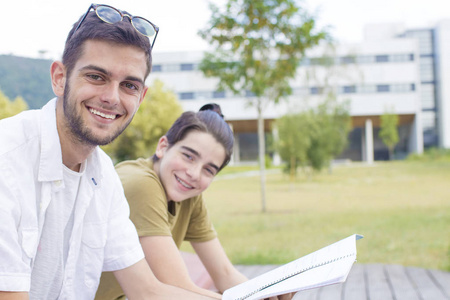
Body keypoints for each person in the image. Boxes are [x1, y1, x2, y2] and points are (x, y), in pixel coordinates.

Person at [0, 4, 214, 299]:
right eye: (96, 77)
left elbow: (147, 290)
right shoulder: (7, 161)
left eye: (128, 85)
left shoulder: (103, 176)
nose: (112, 98)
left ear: (141, 96)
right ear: (60, 77)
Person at [95, 110, 246, 299]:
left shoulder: (189, 195)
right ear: (163, 146)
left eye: (208, 170)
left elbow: (225, 274)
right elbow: (178, 288)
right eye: (189, 156)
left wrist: (264, 292)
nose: (194, 173)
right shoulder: (141, 184)